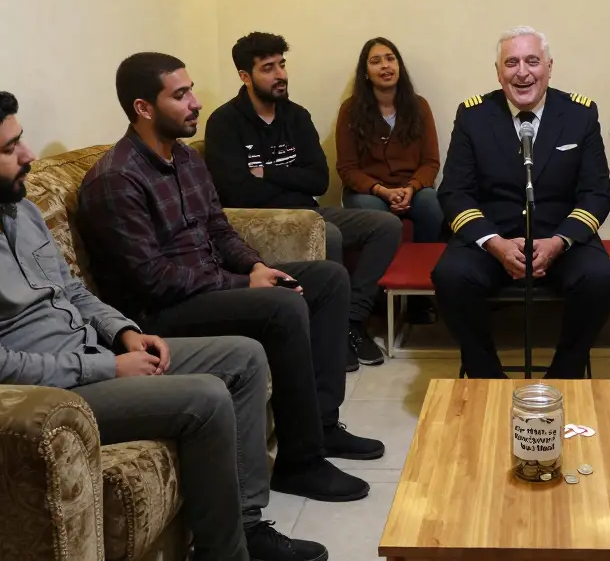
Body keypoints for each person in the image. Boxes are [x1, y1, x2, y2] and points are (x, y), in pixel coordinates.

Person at [0, 85, 326, 561]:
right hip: (45, 397)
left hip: (95, 350)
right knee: (206, 398)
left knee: (244, 357)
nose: (29, 155)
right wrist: (110, 368)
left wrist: (124, 332)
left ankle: (248, 525)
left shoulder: (16, 208)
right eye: (10, 148)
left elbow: (70, 290)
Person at [76, 52, 382, 505]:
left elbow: (219, 229)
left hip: (208, 286)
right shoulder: (117, 179)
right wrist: (241, 286)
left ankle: (323, 424)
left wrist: (254, 266)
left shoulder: (185, 158)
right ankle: (300, 463)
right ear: (144, 108)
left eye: (191, 90)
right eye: (181, 95)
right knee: (281, 306)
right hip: (159, 312)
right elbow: (150, 278)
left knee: (329, 279)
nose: (196, 102)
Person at [431, 26, 610, 378]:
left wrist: (559, 242)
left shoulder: (580, 114)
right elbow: (455, 191)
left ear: (549, 66)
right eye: (511, 63)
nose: (522, 72)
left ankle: (564, 376)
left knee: (600, 277)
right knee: (450, 276)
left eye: (532, 61)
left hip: (559, 237)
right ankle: (487, 378)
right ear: (498, 72)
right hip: (493, 237)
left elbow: (597, 192)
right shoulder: (473, 115)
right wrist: (495, 243)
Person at [205, 32, 401, 367]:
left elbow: (319, 179)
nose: (280, 74)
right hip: (260, 221)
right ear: (245, 76)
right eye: (268, 68)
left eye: (282, 65)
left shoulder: (296, 116)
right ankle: (331, 334)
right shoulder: (225, 122)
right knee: (330, 234)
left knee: (386, 225)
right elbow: (235, 191)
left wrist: (265, 172)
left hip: (308, 212)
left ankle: (351, 321)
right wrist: (292, 184)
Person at [334, 37, 443, 324]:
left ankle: (420, 297)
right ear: (365, 72)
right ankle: (377, 299)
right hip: (367, 191)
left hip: (413, 189)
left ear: (399, 65)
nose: (385, 66)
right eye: (376, 61)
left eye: (390, 58)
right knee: (378, 216)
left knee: (432, 203)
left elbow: (431, 162)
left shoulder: (419, 106)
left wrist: (410, 189)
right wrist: (381, 190)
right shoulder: (350, 111)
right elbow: (347, 168)